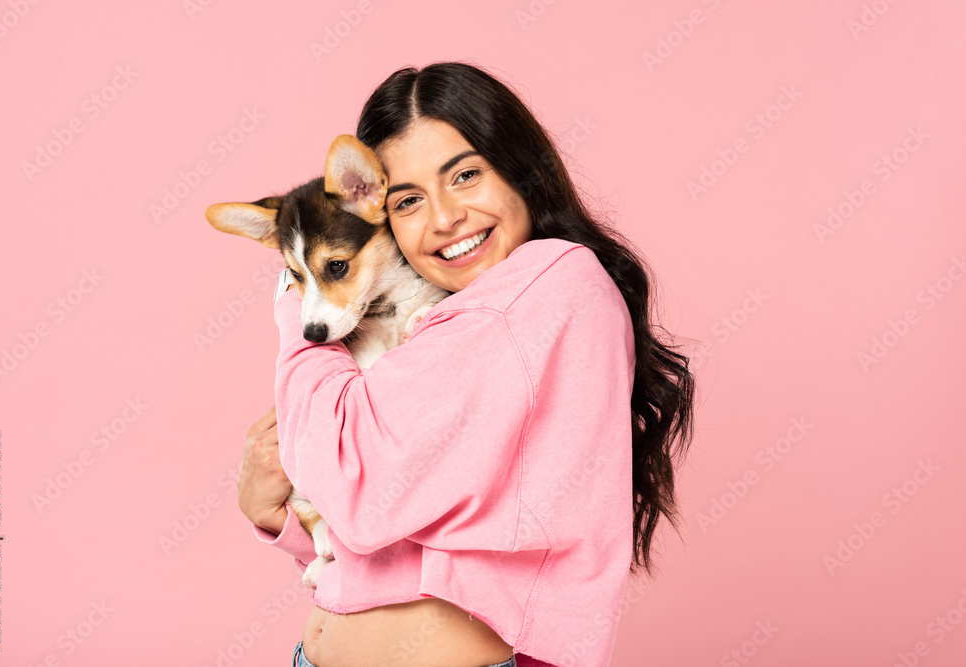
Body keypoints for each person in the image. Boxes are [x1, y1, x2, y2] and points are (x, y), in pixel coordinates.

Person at [237, 62, 696, 667]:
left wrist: (296, 304)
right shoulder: (447, 322)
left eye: (466, 175)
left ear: (521, 169)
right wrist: (284, 518)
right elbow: (389, 538)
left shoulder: (545, 287)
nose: (445, 218)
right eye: (408, 200)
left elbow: (358, 494)